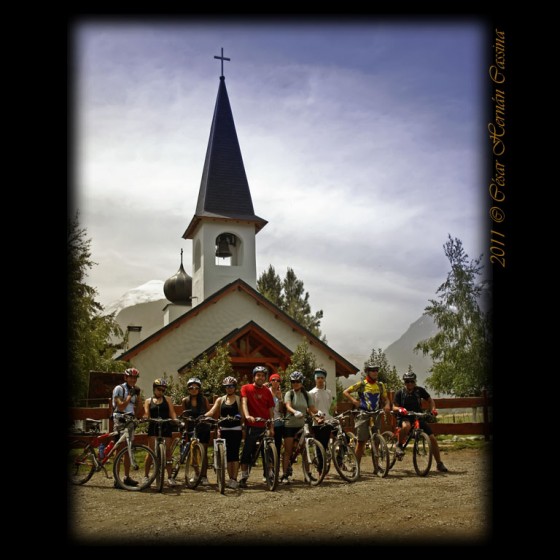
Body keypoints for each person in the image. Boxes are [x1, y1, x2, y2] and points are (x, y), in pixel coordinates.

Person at [392, 371, 448, 472]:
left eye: (412, 381)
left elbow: (430, 400)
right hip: (404, 417)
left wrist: (433, 410)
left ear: (415, 382)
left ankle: (439, 463)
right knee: (406, 427)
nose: (409, 383)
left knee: (432, 438)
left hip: (417, 417)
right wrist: (400, 409)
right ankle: (399, 445)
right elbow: (394, 406)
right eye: (407, 381)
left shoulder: (419, 391)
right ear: (404, 382)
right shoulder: (399, 393)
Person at [342, 364, 390, 470]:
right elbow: (345, 392)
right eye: (372, 371)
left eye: (376, 370)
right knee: (361, 441)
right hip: (363, 414)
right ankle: (356, 467)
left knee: (376, 440)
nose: (375, 372)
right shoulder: (362, 384)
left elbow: (386, 399)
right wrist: (354, 401)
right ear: (368, 372)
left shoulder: (380, 385)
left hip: (376, 414)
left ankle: (376, 466)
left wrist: (387, 405)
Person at [205, 376, 245, 489]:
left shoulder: (238, 399)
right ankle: (228, 478)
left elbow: (242, 414)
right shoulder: (220, 400)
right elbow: (212, 411)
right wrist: (204, 416)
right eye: (227, 387)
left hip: (236, 429)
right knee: (225, 455)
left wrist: (239, 417)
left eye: (231, 386)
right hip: (223, 430)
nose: (229, 388)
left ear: (235, 387)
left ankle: (234, 478)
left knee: (234, 454)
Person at [238, 366, 275, 488]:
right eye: (258, 375)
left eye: (263, 375)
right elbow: (244, 402)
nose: (260, 377)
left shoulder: (267, 391)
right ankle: (243, 476)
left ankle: (269, 473)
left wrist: (271, 426)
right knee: (247, 450)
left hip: (264, 424)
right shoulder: (246, 388)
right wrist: (247, 415)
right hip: (251, 424)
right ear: (254, 376)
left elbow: (270, 409)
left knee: (268, 451)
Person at [282, 370, 319, 483]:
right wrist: (294, 412)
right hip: (289, 425)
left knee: (304, 450)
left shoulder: (306, 395)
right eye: (293, 381)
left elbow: (312, 408)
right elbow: (287, 405)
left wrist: (319, 413)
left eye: (298, 381)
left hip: (301, 426)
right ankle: (284, 475)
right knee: (288, 451)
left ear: (302, 382)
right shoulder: (290, 393)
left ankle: (307, 474)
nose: (295, 383)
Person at [142, 378, 179, 487]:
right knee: (151, 451)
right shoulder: (148, 401)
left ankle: (170, 477)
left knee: (168, 451)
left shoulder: (167, 399)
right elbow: (146, 413)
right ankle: (146, 476)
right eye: (159, 389)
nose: (161, 392)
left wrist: (175, 419)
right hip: (153, 425)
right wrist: (145, 417)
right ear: (154, 389)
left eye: (163, 390)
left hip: (165, 425)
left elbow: (172, 412)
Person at [111, 367, 143, 487]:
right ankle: (116, 478)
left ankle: (126, 477)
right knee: (119, 448)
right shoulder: (119, 389)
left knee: (129, 447)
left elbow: (139, 409)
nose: (133, 380)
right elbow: (120, 407)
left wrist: (138, 397)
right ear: (125, 377)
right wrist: (130, 396)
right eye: (130, 377)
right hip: (120, 418)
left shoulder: (135, 390)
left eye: (135, 378)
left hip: (130, 419)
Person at [181, 376, 211, 485]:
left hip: (203, 427)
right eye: (191, 388)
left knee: (203, 451)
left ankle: (204, 476)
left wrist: (206, 419)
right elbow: (184, 415)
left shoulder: (204, 400)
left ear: (199, 389)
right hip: (191, 427)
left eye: (196, 388)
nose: (194, 390)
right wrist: (185, 429)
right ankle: (197, 473)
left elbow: (209, 412)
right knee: (193, 452)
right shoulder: (185, 400)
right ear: (188, 389)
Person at [308, 368, 336, 465]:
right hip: (318, 423)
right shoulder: (311, 393)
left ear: (324, 379)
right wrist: (315, 417)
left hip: (329, 421)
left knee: (344, 438)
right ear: (315, 379)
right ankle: (321, 470)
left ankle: (340, 461)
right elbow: (309, 409)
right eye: (318, 378)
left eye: (322, 378)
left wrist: (333, 414)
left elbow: (331, 407)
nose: (320, 380)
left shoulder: (328, 392)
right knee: (321, 447)